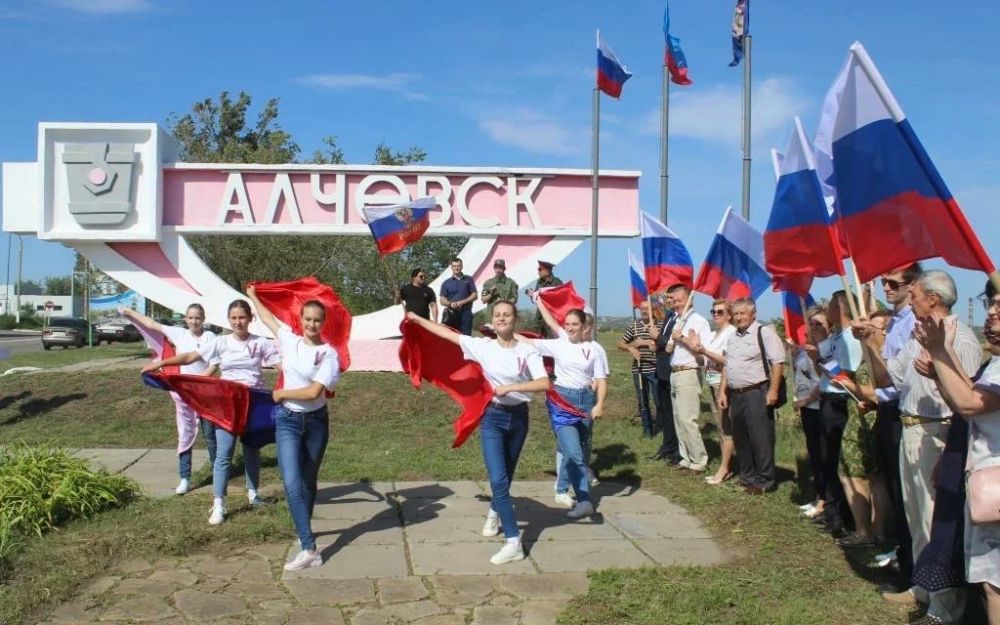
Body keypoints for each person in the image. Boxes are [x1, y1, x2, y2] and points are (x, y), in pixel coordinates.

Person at [863, 270, 981, 623]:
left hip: (939, 433)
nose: (909, 300)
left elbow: (968, 399)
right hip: (911, 429)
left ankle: (945, 606)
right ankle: (922, 586)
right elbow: (891, 377)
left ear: (934, 298)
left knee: (935, 521)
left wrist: (951, 450)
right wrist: (871, 344)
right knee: (915, 516)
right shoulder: (919, 335)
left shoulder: (960, 338)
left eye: (914, 294)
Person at [405, 302, 549, 565]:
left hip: (519, 419)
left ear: (515, 319)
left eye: (507, 315)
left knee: (507, 474)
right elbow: (447, 334)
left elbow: (544, 383)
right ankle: (513, 541)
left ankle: (495, 510)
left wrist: (511, 387)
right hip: (492, 417)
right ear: (492, 321)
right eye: (497, 315)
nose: (502, 318)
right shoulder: (483, 347)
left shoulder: (527, 350)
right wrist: (416, 318)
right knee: (498, 479)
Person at [142, 299, 279, 525]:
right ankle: (218, 504)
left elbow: (282, 366)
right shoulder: (220, 342)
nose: (238, 322)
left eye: (242, 317)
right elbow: (190, 357)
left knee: (252, 450)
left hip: (253, 404)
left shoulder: (261, 343)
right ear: (228, 320)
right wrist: (159, 364)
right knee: (223, 455)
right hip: (227, 404)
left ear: (250, 319)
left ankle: (253, 494)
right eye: (234, 318)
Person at [916, 279, 1000, 625]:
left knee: (996, 584)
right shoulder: (995, 365)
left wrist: (939, 352)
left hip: (995, 482)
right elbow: (967, 393)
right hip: (987, 481)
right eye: (991, 304)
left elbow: (968, 404)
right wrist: (943, 360)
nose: (991, 312)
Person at [247, 286, 341, 572]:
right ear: (300, 320)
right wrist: (253, 296)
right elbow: (268, 319)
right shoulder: (290, 340)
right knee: (291, 482)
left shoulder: (329, 354)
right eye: (307, 319)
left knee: (308, 480)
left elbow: (314, 393)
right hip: (287, 420)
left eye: (317, 320)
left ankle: (304, 529)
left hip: (316, 423)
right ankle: (310, 548)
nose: (311, 324)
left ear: (323, 323)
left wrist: (281, 393)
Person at [854, 263, 921, 586]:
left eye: (894, 283)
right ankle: (905, 560)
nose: (887, 289)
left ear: (913, 285)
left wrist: (874, 342)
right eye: (884, 282)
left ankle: (914, 573)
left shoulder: (914, 322)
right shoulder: (895, 322)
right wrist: (868, 342)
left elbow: (899, 374)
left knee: (908, 496)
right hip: (888, 407)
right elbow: (880, 373)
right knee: (896, 489)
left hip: (906, 411)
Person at [518, 301, 608, 517]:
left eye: (574, 324)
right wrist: (502, 333)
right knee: (574, 451)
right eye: (567, 324)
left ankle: (563, 491)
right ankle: (582, 500)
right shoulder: (559, 344)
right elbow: (529, 341)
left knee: (579, 449)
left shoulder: (595, 349)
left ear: (584, 325)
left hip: (585, 402)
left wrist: (599, 404)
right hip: (561, 401)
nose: (570, 328)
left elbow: (601, 379)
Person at [122, 303, 217, 495]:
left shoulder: (210, 337)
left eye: (198, 318)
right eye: (191, 317)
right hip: (183, 394)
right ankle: (185, 478)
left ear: (203, 319)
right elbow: (152, 324)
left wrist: (199, 382)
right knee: (185, 434)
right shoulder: (179, 334)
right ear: (186, 319)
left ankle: (219, 473)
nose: (194, 321)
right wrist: (130, 312)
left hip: (204, 393)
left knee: (210, 435)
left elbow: (214, 364)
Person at [809, 290, 864, 535]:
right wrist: (819, 360)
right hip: (827, 399)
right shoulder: (838, 336)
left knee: (835, 458)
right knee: (826, 458)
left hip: (840, 402)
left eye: (831, 305)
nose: (827, 310)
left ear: (840, 308)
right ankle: (832, 512)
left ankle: (842, 517)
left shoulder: (851, 338)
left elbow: (846, 375)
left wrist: (821, 360)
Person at [719, 298, 785, 494]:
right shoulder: (732, 337)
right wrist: (723, 391)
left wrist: (773, 391)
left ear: (753, 314)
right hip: (736, 394)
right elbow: (727, 365)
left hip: (757, 392)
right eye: (736, 314)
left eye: (743, 313)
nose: (739, 317)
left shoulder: (764, 333)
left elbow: (778, 363)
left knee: (760, 437)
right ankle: (748, 477)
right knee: (741, 437)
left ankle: (765, 481)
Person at [654, 283, 712, 473]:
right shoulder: (678, 321)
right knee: (678, 419)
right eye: (675, 301)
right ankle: (686, 457)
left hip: (689, 372)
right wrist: (671, 343)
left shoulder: (698, 321)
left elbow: (703, 353)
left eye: (681, 301)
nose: (677, 304)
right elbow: (670, 347)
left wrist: (683, 339)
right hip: (675, 372)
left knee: (688, 419)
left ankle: (699, 460)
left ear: (690, 300)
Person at [688, 299, 736, 484]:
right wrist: (696, 350)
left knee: (725, 426)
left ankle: (725, 468)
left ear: (729, 315)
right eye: (713, 311)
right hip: (712, 380)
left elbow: (727, 360)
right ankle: (726, 465)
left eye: (720, 312)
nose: (716, 315)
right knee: (719, 425)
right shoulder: (715, 334)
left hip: (722, 383)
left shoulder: (730, 333)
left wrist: (704, 351)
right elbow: (703, 361)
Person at [793, 307, 825, 517]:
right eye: (811, 324)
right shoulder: (805, 349)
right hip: (806, 408)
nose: (814, 327)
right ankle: (818, 496)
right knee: (813, 452)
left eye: (819, 324)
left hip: (819, 406)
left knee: (823, 454)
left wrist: (807, 400)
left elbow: (825, 380)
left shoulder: (825, 350)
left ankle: (823, 501)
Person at [648, 294, 682, 465]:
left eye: (672, 298)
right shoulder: (669, 315)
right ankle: (667, 446)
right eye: (668, 298)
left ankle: (678, 450)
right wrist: (656, 345)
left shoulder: (682, 319)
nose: (669, 301)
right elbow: (665, 343)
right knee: (666, 413)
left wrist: (657, 337)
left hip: (672, 370)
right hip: (661, 370)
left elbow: (671, 345)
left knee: (675, 414)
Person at [617, 300, 659, 438]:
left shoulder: (659, 325)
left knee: (659, 400)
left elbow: (665, 343)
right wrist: (631, 348)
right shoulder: (634, 326)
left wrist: (646, 343)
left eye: (647, 308)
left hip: (656, 369)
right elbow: (620, 344)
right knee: (642, 401)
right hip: (639, 369)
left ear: (653, 310)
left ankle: (661, 427)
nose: (644, 311)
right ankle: (647, 431)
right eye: (642, 309)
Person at [525, 260, 563, 337]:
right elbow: (536, 300)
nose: (538, 272)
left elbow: (561, 298)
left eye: (540, 269)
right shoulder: (539, 282)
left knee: (552, 338)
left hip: (552, 316)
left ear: (547, 271)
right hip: (540, 316)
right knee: (537, 336)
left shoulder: (557, 282)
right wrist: (532, 295)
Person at [439, 257, 477, 335]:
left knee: (466, 337)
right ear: (451, 267)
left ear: (462, 266)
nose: (456, 268)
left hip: (466, 313)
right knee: (451, 337)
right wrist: (450, 304)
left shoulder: (469, 279)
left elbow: (474, 295)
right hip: (451, 314)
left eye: (458, 266)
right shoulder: (446, 283)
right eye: (454, 266)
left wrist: (462, 302)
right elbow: (442, 300)